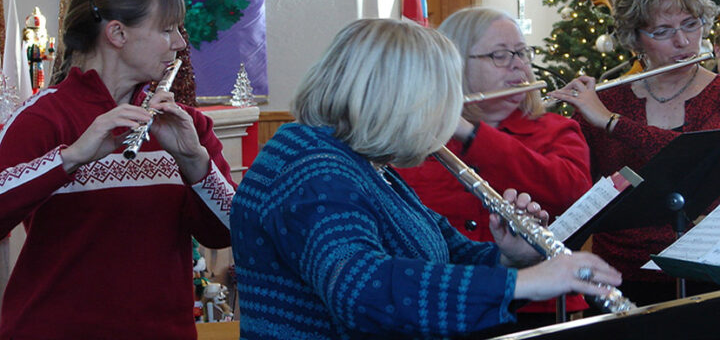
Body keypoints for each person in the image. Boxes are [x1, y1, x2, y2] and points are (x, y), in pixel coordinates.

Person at [231, 18, 621, 339]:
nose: (443, 120)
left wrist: (508, 257)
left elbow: (440, 248)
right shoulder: (315, 169)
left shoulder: (361, 160)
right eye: (440, 101)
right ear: (400, 102)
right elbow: (360, 287)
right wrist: (525, 285)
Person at [0, 0, 236, 339]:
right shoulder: (42, 118)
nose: (179, 43)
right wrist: (70, 157)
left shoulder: (185, 124)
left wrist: (195, 161)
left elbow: (227, 232)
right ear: (117, 33)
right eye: (166, 29)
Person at [396, 6, 593, 329]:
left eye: (522, 52)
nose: (518, 64)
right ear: (456, 63)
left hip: (539, 307)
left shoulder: (557, 130)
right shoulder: (416, 139)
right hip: (446, 306)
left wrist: (470, 132)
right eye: (500, 55)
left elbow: (572, 194)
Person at [551, 0, 720, 307]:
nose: (683, 42)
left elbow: (686, 157)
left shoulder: (717, 95)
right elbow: (573, 188)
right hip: (617, 277)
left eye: (691, 24)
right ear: (634, 37)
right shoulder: (606, 100)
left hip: (705, 273)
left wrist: (612, 123)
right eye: (662, 31)